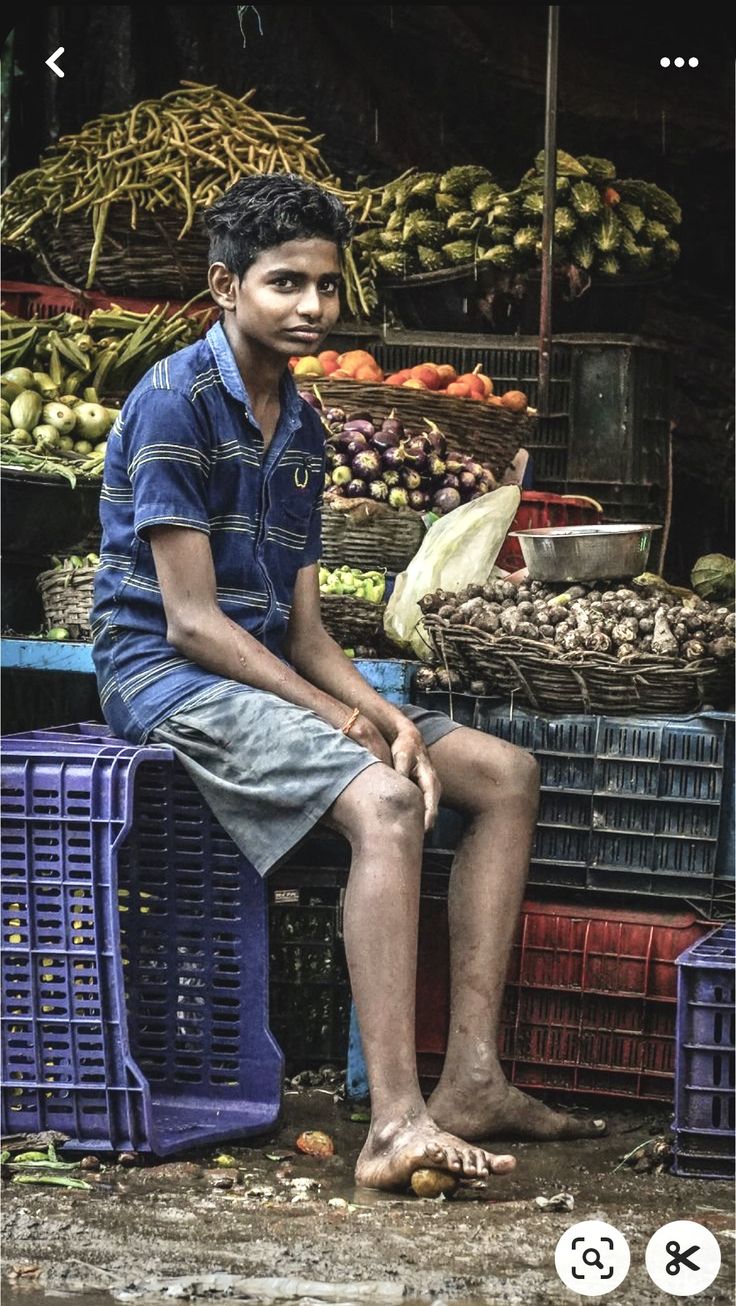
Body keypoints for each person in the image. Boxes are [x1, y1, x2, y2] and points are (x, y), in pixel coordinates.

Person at [91, 174, 605, 1192]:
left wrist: (375, 711)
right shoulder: (171, 402)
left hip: (266, 667)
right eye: (285, 283)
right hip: (166, 676)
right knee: (382, 804)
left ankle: (468, 1078)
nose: (311, 308)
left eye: (325, 287)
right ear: (224, 287)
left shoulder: (306, 428)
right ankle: (392, 1125)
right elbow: (192, 623)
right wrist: (342, 727)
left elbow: (307, 629)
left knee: (502, 773)